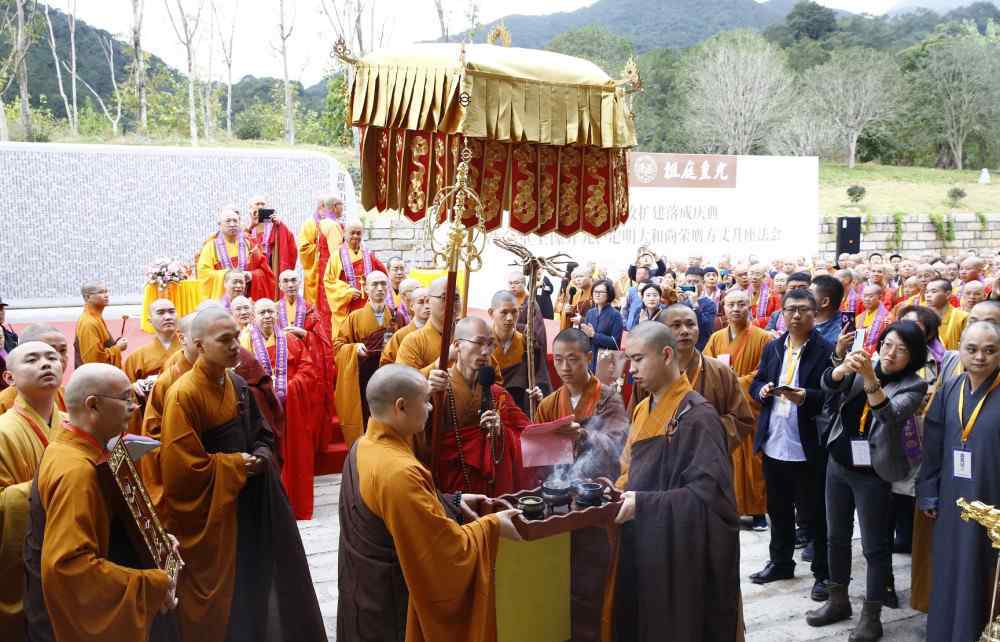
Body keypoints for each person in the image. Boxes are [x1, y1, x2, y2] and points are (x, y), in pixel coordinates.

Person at [157, 307, 325, 642]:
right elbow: (181, 469)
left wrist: (261, 456)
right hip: (217, 512)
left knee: (256, 580)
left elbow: (263, 432)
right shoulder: (184, 394)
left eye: (236, 336)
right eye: (225, 340)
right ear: (200, 346)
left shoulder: (235, 382)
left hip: (247, 501)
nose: (236, 345)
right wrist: (235, 465)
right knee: (229, 596)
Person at [336, 364, 521, 642]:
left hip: (364, 593)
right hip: (392, 607)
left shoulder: (363, 446)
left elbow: (403, 511)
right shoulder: (397, 471)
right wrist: (492, 526)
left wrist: (453, 501)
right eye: (424, 401)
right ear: (401, 406)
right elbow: (444, 552)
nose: (431, 408)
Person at [21, 363, 180, 642]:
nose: (133, 407)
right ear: (93, 405)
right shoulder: (75, 471)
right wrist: (153, 584)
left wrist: (156, 540)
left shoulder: (75, 445)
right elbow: (69, 567)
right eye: (125, 399)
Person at [613, 322, 741, 642]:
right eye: (630, 360)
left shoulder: (699, 416)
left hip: (679, 553)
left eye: (639, 359)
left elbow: (710, 499)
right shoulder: (643, 408)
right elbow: (630, 468)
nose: (632, 370)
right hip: (642, 540)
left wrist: (643, 504)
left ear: (667, 354)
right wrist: (615, 490)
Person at [806, 322, 927, 640]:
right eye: (887, 344)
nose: (890, 353)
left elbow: (887, 416)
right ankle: (838, 600)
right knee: (836, 537)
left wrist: (871, 379)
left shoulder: (914, 385)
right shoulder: (866, 363)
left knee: (875, 547)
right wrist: (840, 368)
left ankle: (871, 615)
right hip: (840, 461)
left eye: (901, 350)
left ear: (913, 357)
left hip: (873, 474)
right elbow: (830, 387)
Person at [917, 321, 1000, 642]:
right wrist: (928, 492)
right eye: (972, 349)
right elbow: (933, 444)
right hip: (952, 497)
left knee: (983, 571)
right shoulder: (951, 387)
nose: (980, 357)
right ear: (959, 349)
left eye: (990, 350)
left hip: (991, 500)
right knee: (951, 567)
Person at [749, 288, 833, 602]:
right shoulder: (773, 348)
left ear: (815, 313)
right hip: (775, 441)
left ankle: (824, 574)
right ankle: (781, 561)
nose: (795, 315)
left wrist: (807, 396)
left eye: (802, 309)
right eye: (790, 309)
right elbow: (757, 380)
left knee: (815, 513)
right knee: (778, 508)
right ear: (782, 313)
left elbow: (834, 395)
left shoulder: (825, 351)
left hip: (808, 444)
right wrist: (763, 389)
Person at [427, 316, 535, 496]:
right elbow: (416, 438)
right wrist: (426, 394)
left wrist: (501, 432)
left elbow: (527, 435)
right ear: (456, 345)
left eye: (490, 344)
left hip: (491, 488)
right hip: (449, 489)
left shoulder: (497, 394)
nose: (486, 352)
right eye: (478, 343)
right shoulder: (439, 389)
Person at [0, 342, 64, 641]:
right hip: (28, 553)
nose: (46, 364)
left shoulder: (72, 422)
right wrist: (58, 481)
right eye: (33, 359)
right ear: (9, 378)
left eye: (52, 357)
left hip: (70, 545)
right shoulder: (3, 431)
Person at [704, 289, 773, 530]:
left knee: (753, 460)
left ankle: (757, 511)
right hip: (723, 407)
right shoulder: (716, 338)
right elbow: (706, 366)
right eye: (731, 304)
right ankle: (730, 506)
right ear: (723, 308)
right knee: (726, 458)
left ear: (750, 307)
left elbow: (764, 372)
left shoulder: (764, 338)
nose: (735, 309)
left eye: (741, 304)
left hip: (750, 407)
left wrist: (735, 384)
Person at [245, 298, 318, 520]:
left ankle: (295, 505)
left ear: (277, 315)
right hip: (261, 409)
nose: (267, 316)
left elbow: (308, 369)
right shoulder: (245, 342)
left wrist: (290, 386)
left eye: (271, 311)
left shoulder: (290, 340)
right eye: (262, 312)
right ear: (254, 317)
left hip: (291, 408)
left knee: (294, 452)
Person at [657, 304, 755, 454]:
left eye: (690, 324)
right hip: (662, 458)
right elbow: (637, 419)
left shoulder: (720, 371)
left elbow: (742, 419)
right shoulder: (652, 371)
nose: (685, 331)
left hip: (707, 460)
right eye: (676, 325)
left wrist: (702, 432)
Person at [333, 271, 397, 448]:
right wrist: (354, 348)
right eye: (375, 284)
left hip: (389, 376)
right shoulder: (355, 317)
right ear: (366, 288)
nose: (379, 288)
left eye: (383, 284)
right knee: (366, 417)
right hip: (363, 377)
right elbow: (338, 346)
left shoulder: (396, 316)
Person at [277, 269, 335, 449]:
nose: (290, 284)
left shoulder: (310, 309)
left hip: (308, 368)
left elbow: (323, 341)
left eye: (293, 280)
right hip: (284, 367)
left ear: (299, 283)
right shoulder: (273, 310)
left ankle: (310, 445)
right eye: (285, 281)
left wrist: (303, 334)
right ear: (280, 285)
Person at [322, 220, 389, 338]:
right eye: (352, 233)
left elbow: (383, 274)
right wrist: (347, 292)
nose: (356, 236)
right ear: (345, 234)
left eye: (359, 233)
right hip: (348, 306)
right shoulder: (337, 255)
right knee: (347, 340)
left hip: (368, 303)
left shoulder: (368, 254)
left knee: (369, 337)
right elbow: (329, 281)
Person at [124, 299, 180, 436]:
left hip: (186, 413)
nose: (167, 317)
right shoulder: (136, 357)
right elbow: (125, 396)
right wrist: (133, 388)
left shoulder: (192, 350)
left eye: (171, 312)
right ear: (149, 320)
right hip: (151, 420)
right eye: (160, 313)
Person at [195, 208, 274, 301]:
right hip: (223, 302)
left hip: (248, 299)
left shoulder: (250, 244)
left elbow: (264, 272)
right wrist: (227, 275)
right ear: (220, 225)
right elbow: (204, 274)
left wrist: (251, 275)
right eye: (228, 221)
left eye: (235, 221)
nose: (232, 224)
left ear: (239, 223)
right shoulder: (210, 247)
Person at [489, 290, 549, 413]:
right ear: (491, 313)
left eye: (514, 312)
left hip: (517, 408)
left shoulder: (527, 344)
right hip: (488, 406)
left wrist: (539, 392)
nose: (510, 318)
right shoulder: (482, 343)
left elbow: (540, 378)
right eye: (504, 312)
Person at [298, 194, 345, 344]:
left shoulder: (329, 223)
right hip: (316, 273)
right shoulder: (311, 224)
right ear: (322, 207)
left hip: (326, 270)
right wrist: (319, 250)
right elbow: (304, 249)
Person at [395, 277, 461, 372]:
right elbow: (405, 382)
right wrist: (437, 365)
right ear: (429, 301)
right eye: (444, 298)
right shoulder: (413, 341)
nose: (451, 303)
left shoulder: (468, 335)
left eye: (456, 298)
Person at [0, 325, 69, 414]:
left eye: (63, 351)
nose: (58, 359)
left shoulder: (68, 396)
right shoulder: (4, 403)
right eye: (33, 359)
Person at [246, 196, 297, 298]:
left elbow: (291, 247)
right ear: (250, 209)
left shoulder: (276, 226)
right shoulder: (247, 227)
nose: (260, 207)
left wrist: (280, 225)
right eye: (257, 204)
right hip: (256, 270)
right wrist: (250, 226)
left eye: (263, 204)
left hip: (273, 267)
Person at [74, 281, 126, 368]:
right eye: (101, 292)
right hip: (95, 377)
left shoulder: (96, 317)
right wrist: (118, 348)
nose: (106, 295)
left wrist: (116, 345)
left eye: (106, 291)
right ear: (87, 297)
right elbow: (94, 360)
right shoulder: (88, 323)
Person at [581, 278, 623, 373]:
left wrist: (594, 335)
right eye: (595, 291)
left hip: (606, 364)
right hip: (589, 362)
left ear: (609, 294)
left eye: (601, 292)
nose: (597, 294)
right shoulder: (590, 313)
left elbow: (615, 344)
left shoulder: (615, 315)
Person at [381, 287, 430, 367]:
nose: (427, 306)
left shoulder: (441, 332)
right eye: (421, 302)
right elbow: (386, 363)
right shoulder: (400, 335)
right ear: (411, 306)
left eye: (429, 301)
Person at [926, 278, 968, 350]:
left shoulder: (962, 317)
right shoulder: (923, 318)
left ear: (948, 294)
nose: (928, 295)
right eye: (927, 292)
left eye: (934, 291)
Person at [855, 284, 891, 356]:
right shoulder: (859, 317)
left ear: (880, 297)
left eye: (871, 296)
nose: (867, 299)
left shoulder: (888, 318)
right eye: (865, 296)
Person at [811, 274, 845, 345]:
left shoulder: (842, 330)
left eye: (810, 294)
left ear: (825, 302)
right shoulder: (802, 319)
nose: (804, 296)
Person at [556, 266, 593, 331]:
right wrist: (569, 311)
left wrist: (582, 320)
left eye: (581, 276)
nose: (578, 279)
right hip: (576, 332)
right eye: (576, 277)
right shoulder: (577, 294)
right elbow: (575, 314)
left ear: (590, 277)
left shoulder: (595, 293)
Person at [623, 264, 654, 330]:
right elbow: (624, 309)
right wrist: (625, 324)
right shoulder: (631, 291)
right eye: (638, 274)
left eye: (644, 274)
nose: (641, 276)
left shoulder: (654, 291)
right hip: (631, 329)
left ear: (648, 276)